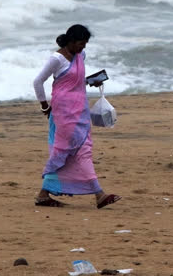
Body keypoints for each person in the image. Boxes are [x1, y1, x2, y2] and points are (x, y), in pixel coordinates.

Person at [32, 24, 121, 209]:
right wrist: (44, 106)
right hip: (63, 114)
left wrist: (92, 82)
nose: (83, 48)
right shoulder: (57, 59)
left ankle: (44, 195)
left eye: (85, 44)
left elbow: (76, 79)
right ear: (71, 41)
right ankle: (99, 195)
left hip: (80, 111)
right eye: (81, 44)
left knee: (77, 151)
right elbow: (38, 81)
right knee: (68, 151)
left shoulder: (81, 56)